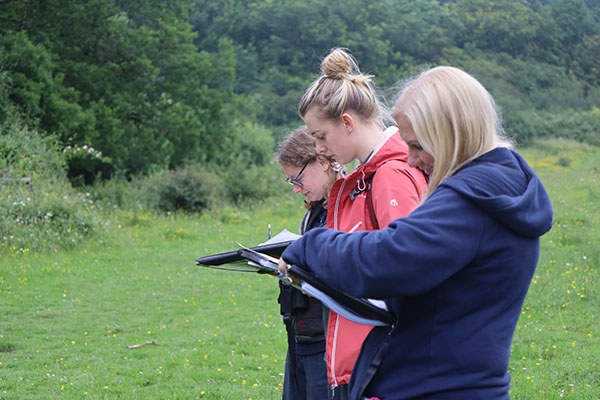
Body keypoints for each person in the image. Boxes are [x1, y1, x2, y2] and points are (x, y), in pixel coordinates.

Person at [279, 66, 554, 400]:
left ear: (448, 133)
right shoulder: (493, 191)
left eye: (417, 145)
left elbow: (391, 259)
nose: (410, 160)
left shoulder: (470, 199)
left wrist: (311, 246)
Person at [297, 48, 428, 399]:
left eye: (321, 137)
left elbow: (408, 267)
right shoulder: (365, 176)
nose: (319, 149)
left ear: (347, 123)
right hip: (363, 364)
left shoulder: (389, 175)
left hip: (380, 367)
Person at [277, 126, 343, 400]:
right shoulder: (314, 212)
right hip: (301, 331)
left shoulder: (347, 207)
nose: (296, 190)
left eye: (298, 179)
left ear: (322, 162)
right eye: (291, 182)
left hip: (327, 341)